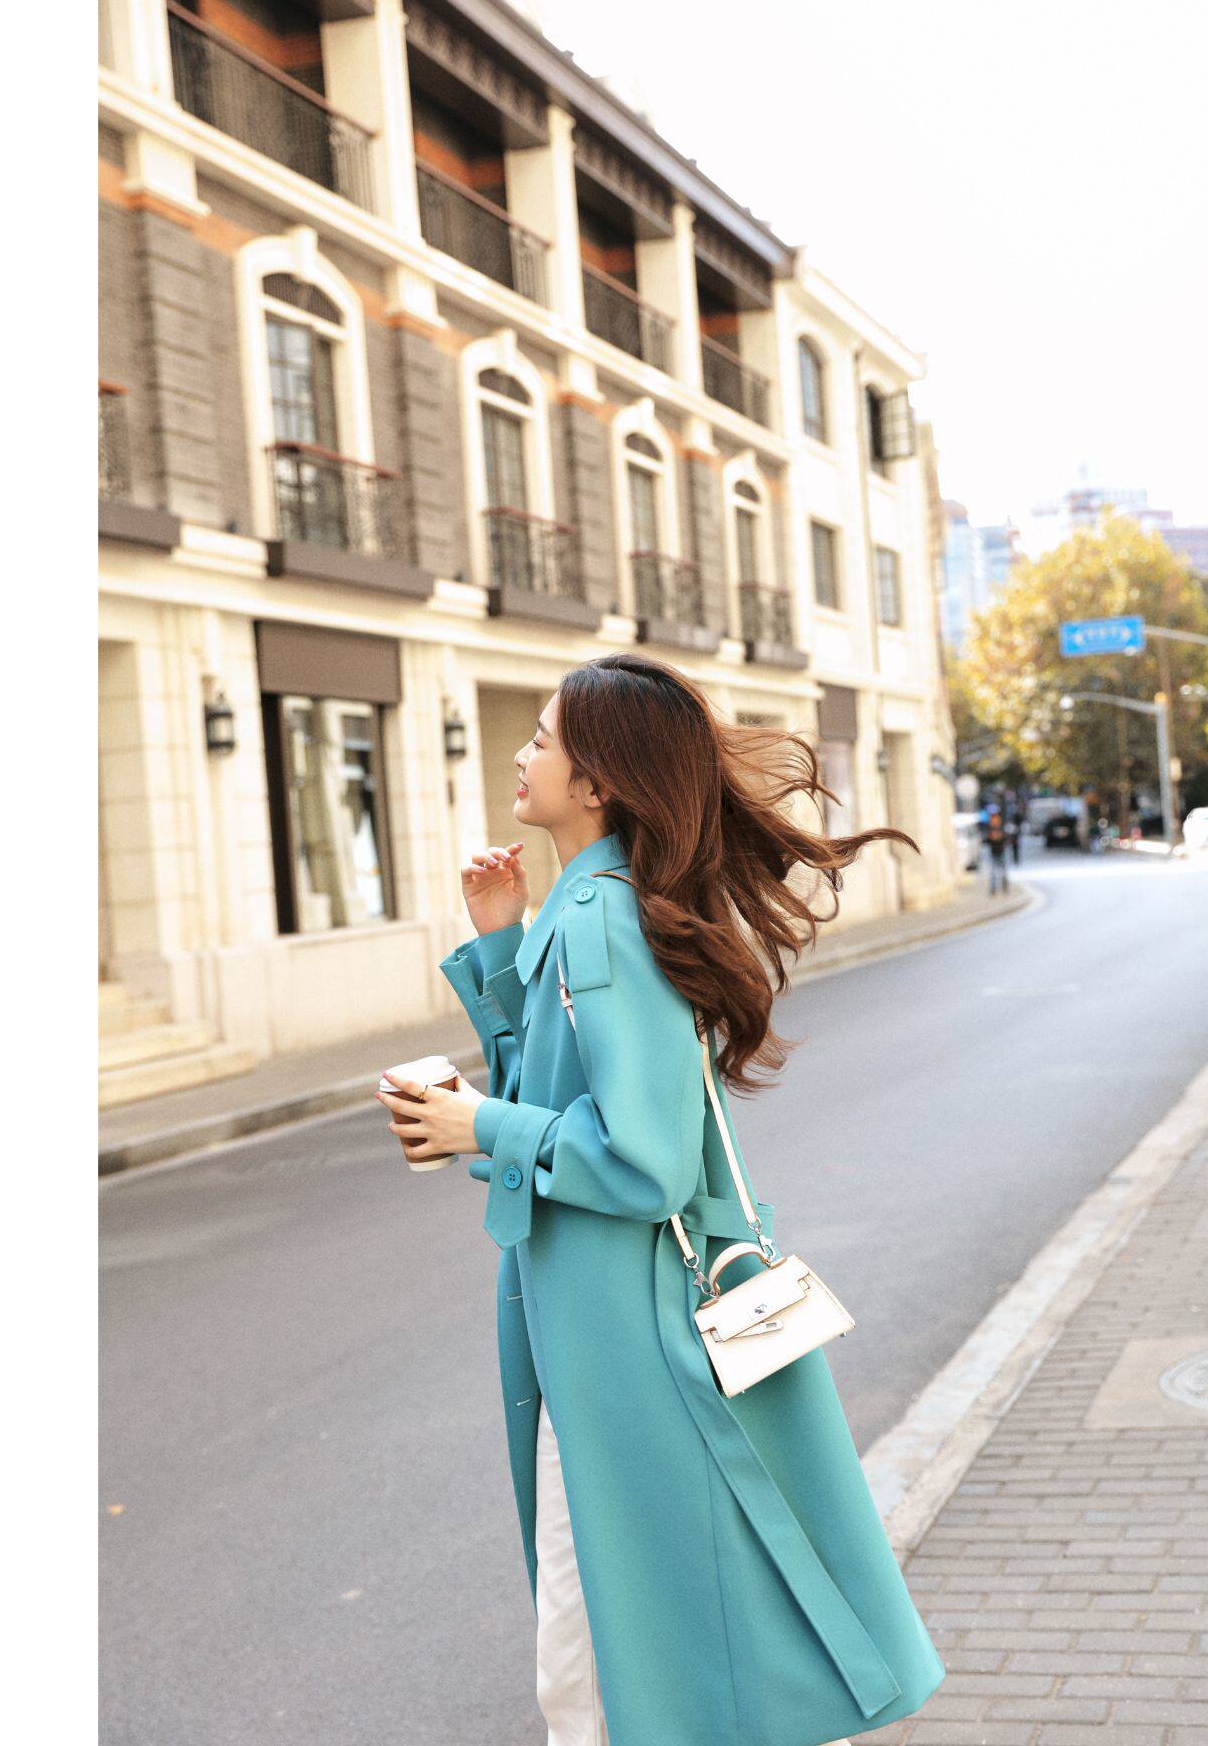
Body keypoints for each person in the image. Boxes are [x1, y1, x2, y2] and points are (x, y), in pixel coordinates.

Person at [385, 652, 946, 1746]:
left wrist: (478, 1126)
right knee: (626, 1630)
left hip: (631, 1333)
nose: (521, 754)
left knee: (605, 1650)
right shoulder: (585, 908)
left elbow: (644, 1163)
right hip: (606, 1326)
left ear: (598, 781)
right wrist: (500, 945)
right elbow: (558, 1089)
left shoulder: (602, 917)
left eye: (542, 738)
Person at [984, 803, 1009, 894]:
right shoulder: (991, 825)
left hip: (999, 850)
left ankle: (1002, 886)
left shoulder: (998, 825)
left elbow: (1004, 838)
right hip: (995, 851)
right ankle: (997, 887)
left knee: (999, 871)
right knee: (996, 871)